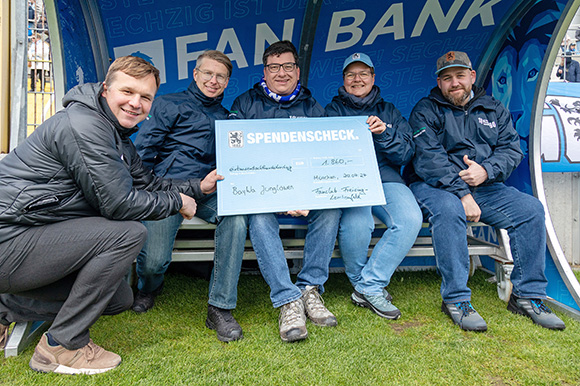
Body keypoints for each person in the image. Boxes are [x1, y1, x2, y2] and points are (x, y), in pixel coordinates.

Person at [0, 56, 221, 374]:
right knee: (129, 232)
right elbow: (118, 205)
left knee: (118, 298)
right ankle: (62, 345)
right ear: (105, 89)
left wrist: (198, 187)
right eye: (127, 92)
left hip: (33, 238)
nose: (136, 103)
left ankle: (5, 306)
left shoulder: (116, 135)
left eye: (145, 97)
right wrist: (177, 203)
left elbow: (149, 183)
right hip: (9, 239)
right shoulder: (84, 125)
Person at [406, 51, 565, 332]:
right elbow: (429, 159)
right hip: (434, 186)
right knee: (450, 209)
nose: (454, 83)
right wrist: (462, 193)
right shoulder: (425, 109)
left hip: (484, 187)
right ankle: (456, 299)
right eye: (447, 78)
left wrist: (487, 171)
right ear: (439, 82)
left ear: (472, 76)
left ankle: (527, 296)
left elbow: (511, 149)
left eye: (459, 75)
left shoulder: (493, 108)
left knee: (530, 210)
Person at [229, 40, 341, 342]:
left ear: (297, 70)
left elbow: (323, 156)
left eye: (288, 66)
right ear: (265, 71)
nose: (282, 73)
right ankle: (287, 299)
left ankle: (309, 288)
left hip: (305, 192)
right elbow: (235, 152)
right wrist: (278, 191)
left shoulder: (311, 106)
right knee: (260, 217)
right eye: (274, 67)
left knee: (330, 208)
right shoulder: (244, 103)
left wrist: (304, 192)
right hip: (262, 191)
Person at [132, 50, 248, 342]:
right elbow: (143, 157)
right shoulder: (169, 104)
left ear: (227, 81)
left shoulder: (228, 118)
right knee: (153, 263)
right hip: (167, 190)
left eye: (220, 76)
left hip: (210, 191)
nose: (213, 80)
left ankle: (220, 307)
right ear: (195, 75)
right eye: (207, 73)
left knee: (235, 215)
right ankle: (148, 287)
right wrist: (153, 191)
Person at [325, 53, 422, 319]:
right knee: (359, 223)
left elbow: (405, 154)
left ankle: (369, 284)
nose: (357, 79)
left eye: (363, 74)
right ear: (343, 80)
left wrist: (384, 134)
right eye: (351, 75)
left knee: (410, 218)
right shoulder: (332, 110)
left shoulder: (388, 111)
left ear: (373, 77)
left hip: (385, 177)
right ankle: (364, 285)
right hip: (351, 179)